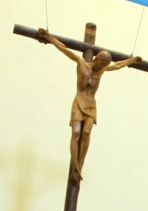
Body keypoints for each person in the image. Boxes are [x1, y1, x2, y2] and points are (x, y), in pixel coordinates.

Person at [38, 28, 142, 181]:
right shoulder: (81, 63)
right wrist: (48, 37)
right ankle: (75, 165)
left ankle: (80, 165)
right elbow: (64, 49)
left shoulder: (102, 70)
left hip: (91, 105)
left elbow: (118, 65)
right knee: (76, 133)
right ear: (96, 59)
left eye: (104, 65)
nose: (101, 68)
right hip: (79, 102)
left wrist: (132, 61)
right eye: (101, 64)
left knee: (86, 133)